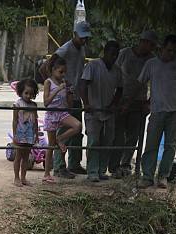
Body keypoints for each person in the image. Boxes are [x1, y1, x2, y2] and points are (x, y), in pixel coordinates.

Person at [139, 35, 176, 188]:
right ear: (162, 49)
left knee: (171, 145)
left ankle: (163, 176)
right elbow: (140, 83)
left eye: (174, 51)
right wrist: (144, 102)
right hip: (157, 110)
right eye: (169, 50)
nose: (171, 54)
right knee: (151, 144)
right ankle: (147, 176)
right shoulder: (151, 64)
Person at [108, 31, 158, 178]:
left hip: (139, 102)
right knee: (118, 135)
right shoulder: (124, 54)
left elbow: (154, 84)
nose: (152, 48)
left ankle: (125, 164)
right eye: (151, 45)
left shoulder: (152, 60)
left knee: (133, 135)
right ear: (143, 42)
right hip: (121, 98)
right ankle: (114, 165)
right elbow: (114, 74)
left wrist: (148, 102)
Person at [79, 40, 123, 183]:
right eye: (111, 54)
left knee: (107, 141)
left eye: (116, 55)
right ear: (105, 53)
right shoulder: (93, 66)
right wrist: (86, 103)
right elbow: (83, 84)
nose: (113, 57)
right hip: (94, 109)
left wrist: (114, 104)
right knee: (93, 141)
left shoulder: (117, 70)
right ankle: (92, 171)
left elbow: (120, 89)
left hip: (108, 110)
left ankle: (101, 170)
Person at [53, 21, 92, 178]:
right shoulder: (65, 49)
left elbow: (79, 75)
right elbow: (46, 67)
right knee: (64, 131)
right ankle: (59, 166)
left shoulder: (81, 49)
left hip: (76, 95)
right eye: (81, 37)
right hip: (64, 97)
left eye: (85, 38)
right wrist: (55, 87)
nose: (83, 40)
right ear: (74, 34)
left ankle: (74, 163)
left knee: (77, 131)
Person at [43, 56, 81, 184]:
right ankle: (47, 173)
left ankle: (60, 139)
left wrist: (70, 93)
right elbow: (46, 102)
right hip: (52, 114)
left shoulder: (65, 83)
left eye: (65, 72)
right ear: (53, 70)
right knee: (50, 147)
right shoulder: (49, 82)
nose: (63, 74)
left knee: (77, 126)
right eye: (60, 72)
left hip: (62, 113)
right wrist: (58, 89)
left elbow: (69, 106)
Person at [12, 78, 39, 187]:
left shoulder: (34, 105)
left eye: (31, 93)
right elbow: (15, 120)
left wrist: (36, 134)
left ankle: (23, 178)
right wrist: (14, 135)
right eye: (26, 93)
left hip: (30, 135)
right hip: (20, 134)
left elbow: (36, 120)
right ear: (21, 92)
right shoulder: (17, 104)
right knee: (18, 156)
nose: (28, 96)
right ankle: (16, 178)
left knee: (26, 157)